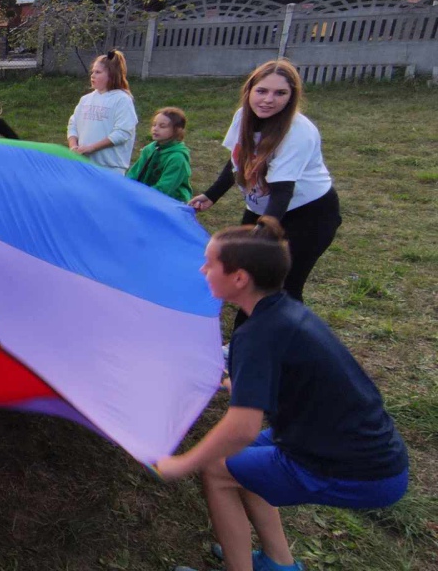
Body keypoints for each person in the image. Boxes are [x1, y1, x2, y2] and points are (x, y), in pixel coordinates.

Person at [156, 218, 408, 571]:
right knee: (242, 462)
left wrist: (183, 462)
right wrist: (227, 381)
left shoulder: (257, 335)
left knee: (216, 469)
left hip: (355, 466)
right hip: (356, 446)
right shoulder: (282, 312)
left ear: (239, 278)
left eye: (210, 263)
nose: (203, 269)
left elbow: (243, 427)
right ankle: (278, 563)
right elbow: (281, 381)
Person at [189, 60, 339, 321]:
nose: (268, 100)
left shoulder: (298, 132)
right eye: (262, 91)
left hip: (307, 215)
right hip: (262, 207)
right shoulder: (243, 117)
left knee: (281, 286)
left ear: (292, 97)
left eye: (280, 93)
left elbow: (282, 192)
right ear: (249, 91)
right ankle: (241, 342)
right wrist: (211, 195)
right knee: (249, 281)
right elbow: (237, 160)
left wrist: (263, 233)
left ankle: (283, 347)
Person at [66, 49, 138, 173]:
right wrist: (74, 147)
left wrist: (92, 148)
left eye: (98, 72)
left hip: (110, 167)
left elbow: (123, 132)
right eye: (92, 71)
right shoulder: (85, 99)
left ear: (112, 75)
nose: (92, 75)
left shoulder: (122, 99)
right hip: (84, 165)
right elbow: (73, 124)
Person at [126, 106, 193, 202]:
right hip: (146, 197)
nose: (155, 129)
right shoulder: (149, 149)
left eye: (162, 126)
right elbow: (134, 173)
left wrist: (143, 196)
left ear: (177, 130)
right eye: (154, 125)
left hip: (171, 202)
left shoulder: (177, 157)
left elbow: (166, 186)